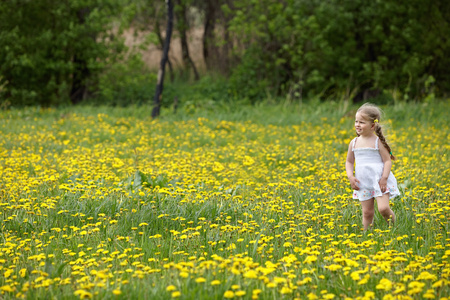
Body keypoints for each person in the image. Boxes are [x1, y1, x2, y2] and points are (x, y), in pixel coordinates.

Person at [345, 103, 400, 230]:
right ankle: (367, 235)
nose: (357, 124)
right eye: (356, 121)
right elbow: (349, 162)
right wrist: (350, 176)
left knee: (383, 208)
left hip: (379, 181)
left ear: (372, 125)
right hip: (363, 182)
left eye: (362, 122)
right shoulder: (354, 143)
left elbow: (387, 161)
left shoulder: (377, 142)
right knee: (367, 213)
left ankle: (394, 228)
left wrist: (384, 178)